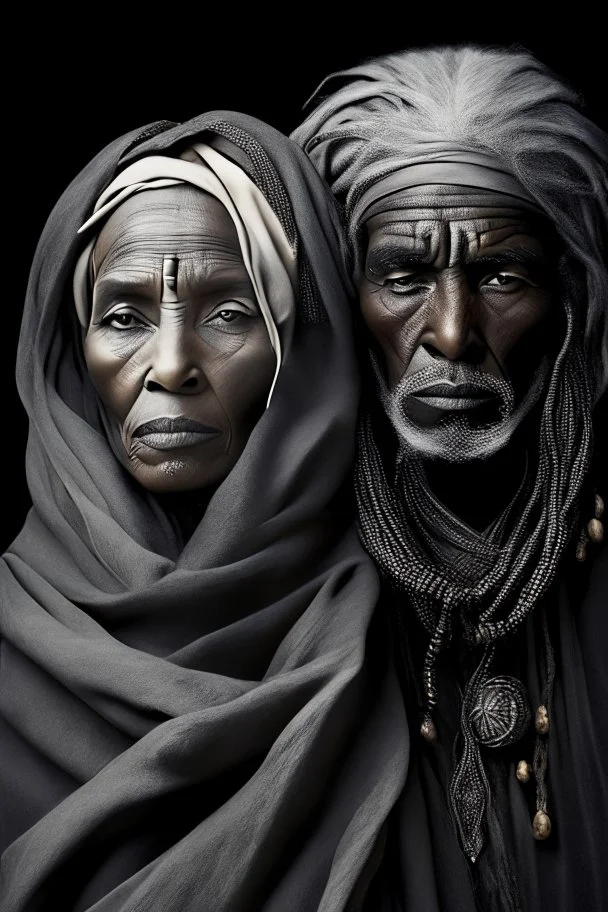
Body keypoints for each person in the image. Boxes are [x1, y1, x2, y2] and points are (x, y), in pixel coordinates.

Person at [0, 112, 408, 911]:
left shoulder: (411, 636)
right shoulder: (11, 645)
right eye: (123, 317)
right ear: (71, 353)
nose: (174, 365)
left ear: (303, 349)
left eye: (230, 313)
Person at [294, 44, 608, 912]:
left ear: (570, 300)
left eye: (502, 277)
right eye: (402, 276)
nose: (453, 334)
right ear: (342, 297)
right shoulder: (285, 580)